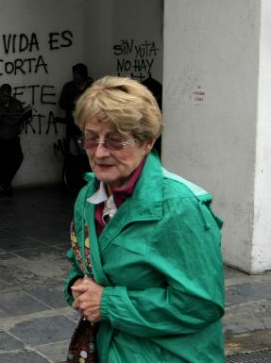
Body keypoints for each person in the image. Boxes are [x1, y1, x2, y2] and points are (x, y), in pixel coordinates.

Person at [64, 76, 224, 361]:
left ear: (147, 142)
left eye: (115, 140)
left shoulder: (179, 207)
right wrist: (77, 286)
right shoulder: (88, 197)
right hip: (108, 349)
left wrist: (108, 303)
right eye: (91, 138)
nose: (100, 152)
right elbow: (80, 259)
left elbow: (202, 304)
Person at [0, 84, 32, 195]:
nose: (5, 98)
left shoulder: (15, 104)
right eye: (3, 95)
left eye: (8, 96)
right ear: (0, 93)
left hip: (12, 136)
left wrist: (21, 122)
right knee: (0, 163)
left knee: (18, 158)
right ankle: (3, 186)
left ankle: (3, 183)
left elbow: (21, 119)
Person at [59, 63, 92, 144]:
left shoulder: (92, 87)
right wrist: (75, 104)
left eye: (77, 74)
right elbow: (61, 103)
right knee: (72, 151)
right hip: (72, 125)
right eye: (74, 74)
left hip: (88, 126)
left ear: (83, 75)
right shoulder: (68, 87)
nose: (75, 77)